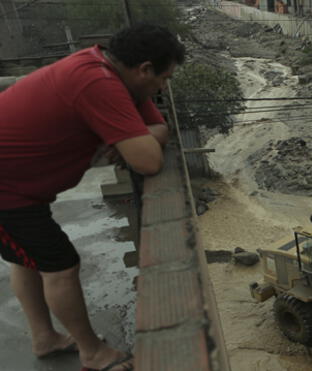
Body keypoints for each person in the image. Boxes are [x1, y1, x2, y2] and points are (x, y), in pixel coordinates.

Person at [0, 24, 185, 371]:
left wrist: (126, 136)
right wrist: (127, 138)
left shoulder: (115, 75)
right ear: (145, 68)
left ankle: (45, 339)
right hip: (6, 191)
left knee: (24, 258)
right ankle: (92, 353)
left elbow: (160, 128)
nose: (163, 87)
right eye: (165, 78)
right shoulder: (96, 82)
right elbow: (148, 160)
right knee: (60, 266)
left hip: (20, 185)